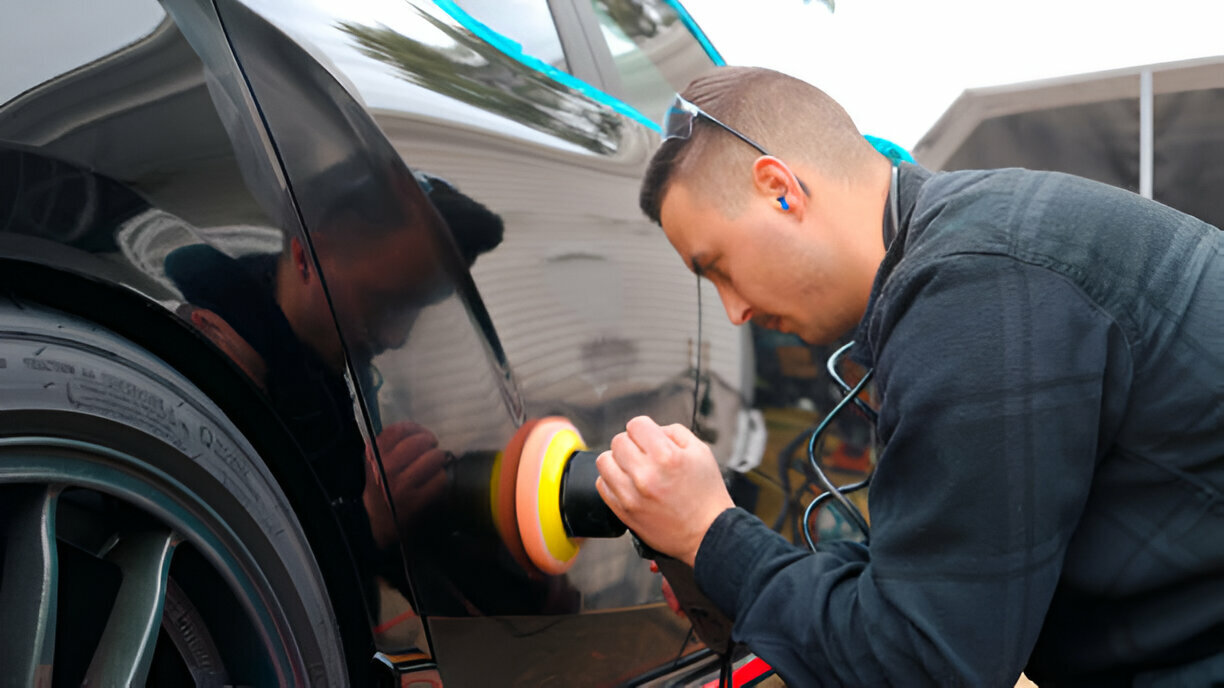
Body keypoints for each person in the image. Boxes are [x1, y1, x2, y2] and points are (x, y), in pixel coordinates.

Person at [594, 65, 1224, 686]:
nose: (735, 313)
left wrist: (708, 534)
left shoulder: (976, 291)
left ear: (778, 188)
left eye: (719, 266)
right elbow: (949, 570)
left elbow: (926, 664)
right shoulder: (977, 240)